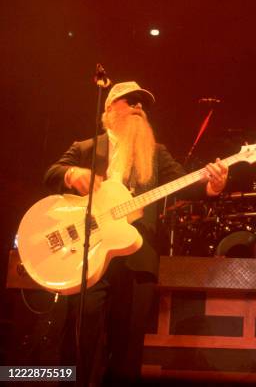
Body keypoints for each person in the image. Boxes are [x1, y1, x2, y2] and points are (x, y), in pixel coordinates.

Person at [43, 81, 228, 384]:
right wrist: (71, 172)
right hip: (88, 258)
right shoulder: (87, 148)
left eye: (143, 104)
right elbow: (50, 174)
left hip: (137, 259)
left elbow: (185, 183)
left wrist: (212, 186)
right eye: (130, 101)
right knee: (79, 342)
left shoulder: (156, 154)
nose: (139, 108)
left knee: (128, 350)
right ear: (109, 109)